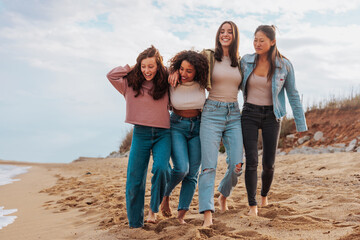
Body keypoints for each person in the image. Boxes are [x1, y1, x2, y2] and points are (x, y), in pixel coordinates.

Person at [240, 25, 307, 216]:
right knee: (251, 160)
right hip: (249, 114)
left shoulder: (284, 65)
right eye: (255, 40)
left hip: (272, 116)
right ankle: (252, 205)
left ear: (272, 41)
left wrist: (300, 124)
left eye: (261, 40)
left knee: (269, 163)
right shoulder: (246, 61)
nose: (257, 44)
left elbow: (293, 94)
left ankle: (264, 196)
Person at [106, 45, 171, 228]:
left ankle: (153, 209)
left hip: (163, 133)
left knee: (162, 169)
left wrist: (164, 69)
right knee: (134, 180)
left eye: (151, 66)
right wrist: (132, 68)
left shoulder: (164, 82)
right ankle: (135, 224)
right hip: (141, 134)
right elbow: (111, 75)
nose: (147, 71)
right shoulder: (129, 83)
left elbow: (175, 73)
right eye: (143, 66)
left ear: (158, 66)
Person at [197, 21, 244, 227]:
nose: (225, 34)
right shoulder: (208, 56)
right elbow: (186, 65)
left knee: (237, 164)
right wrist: (173, 71)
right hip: (211, 113)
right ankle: (208, 214)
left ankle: (223, 194)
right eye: (222, 31)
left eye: (229, 32)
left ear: (235, 36)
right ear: (218, 35)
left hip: (234, 113)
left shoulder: (240, 61)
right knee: (209, 167)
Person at [160, 50, 209, 224]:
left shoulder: (203, 83)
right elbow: (157, 71)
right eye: (181, 69)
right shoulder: (172, 79)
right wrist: (172, 72)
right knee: (181, 168)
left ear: (197, 71)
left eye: (189, 70)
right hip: (177, 126)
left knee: (192, 174)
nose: (184, 74)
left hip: (198, 127)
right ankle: (165, 195)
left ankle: (181, 216)